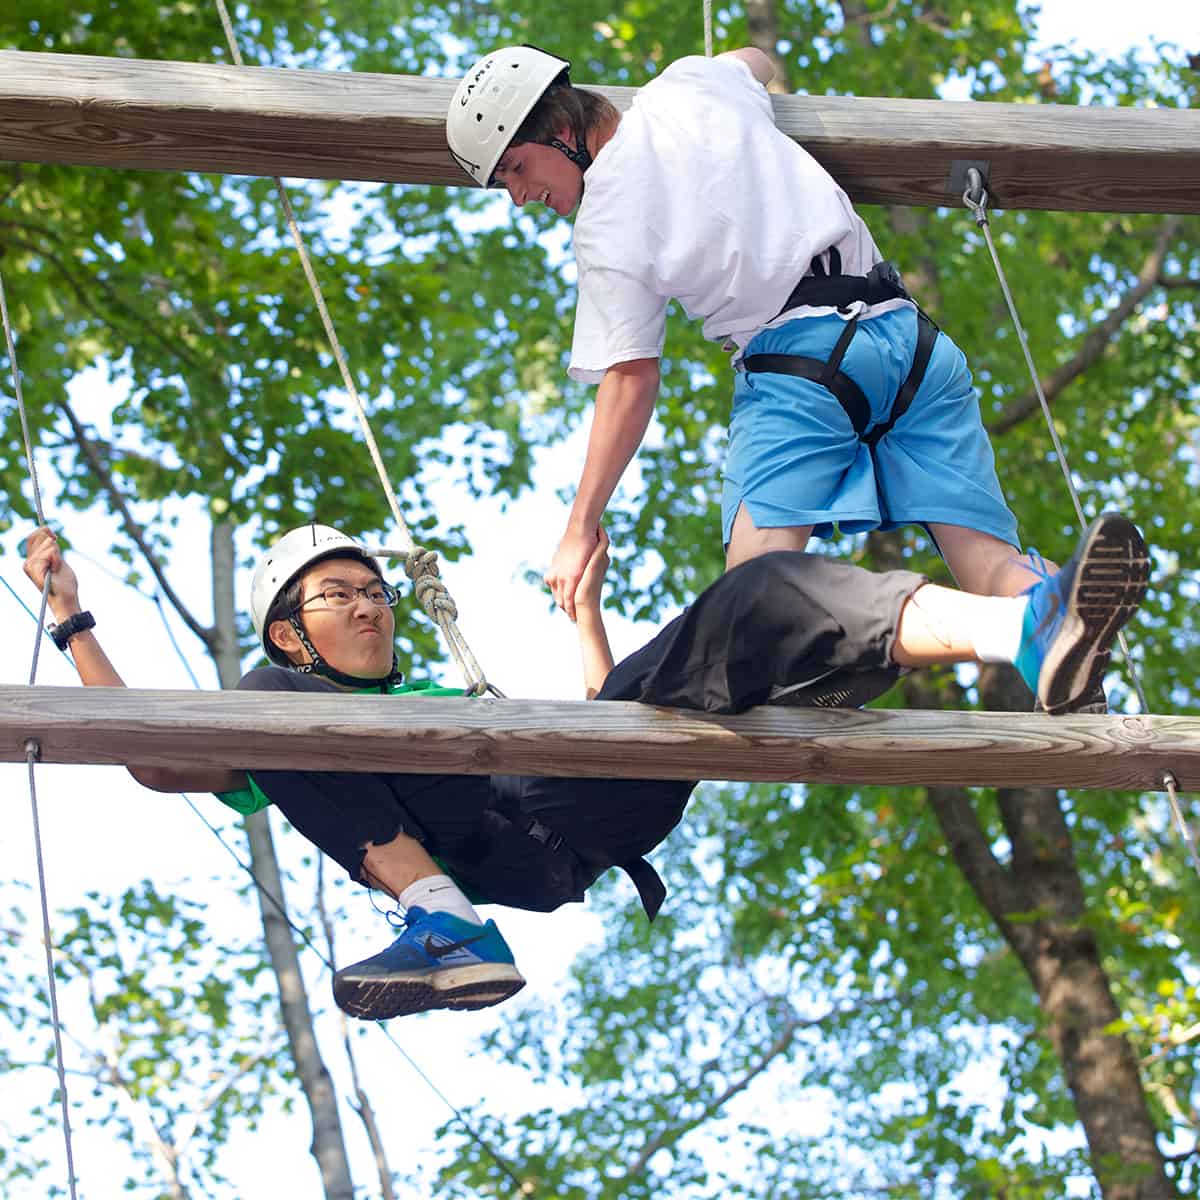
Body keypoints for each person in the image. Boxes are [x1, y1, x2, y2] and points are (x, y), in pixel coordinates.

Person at [21, 509, 1148, 1019]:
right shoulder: (296, 712)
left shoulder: (439, 704)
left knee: (756, 595)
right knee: (263, 717)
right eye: (338, 596)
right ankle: (443, 922)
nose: (368, 607)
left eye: (375, 591)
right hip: (490, 849)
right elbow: (158, 761)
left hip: (573, 806)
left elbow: (608, 728)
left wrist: (590, 621)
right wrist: (75, 626)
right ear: (291, 629)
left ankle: (1024, 634)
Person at [445, 45, 1076, 700]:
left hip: (806, 368)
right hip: (912, 345)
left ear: (565, 129)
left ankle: (1000, 631)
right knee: (990, 561)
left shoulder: (604, 219)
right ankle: (1059, 625)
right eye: (503, 185)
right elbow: (761, 58)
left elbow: (629, 380)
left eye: (517, 168)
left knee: (752, 601)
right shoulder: (688, 85)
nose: (519, 196)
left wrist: (580, 529)